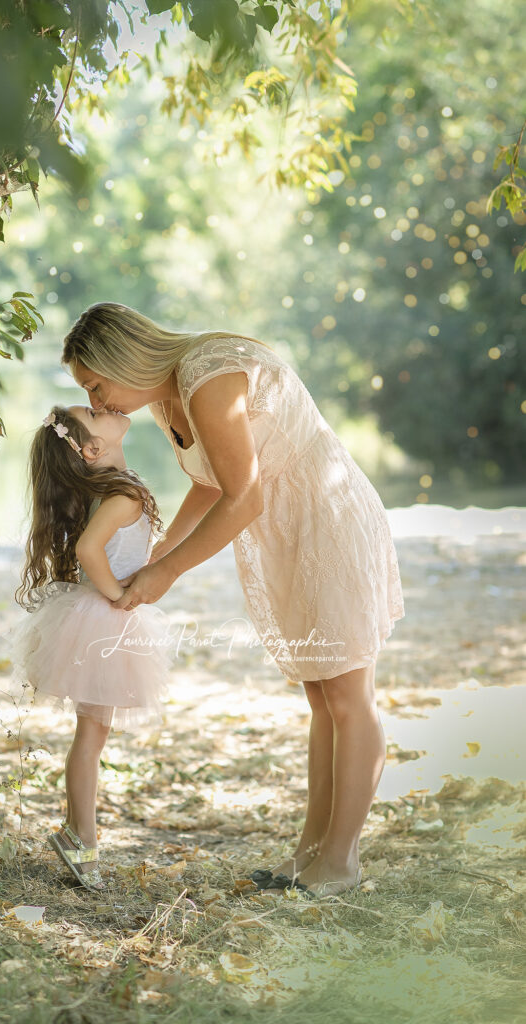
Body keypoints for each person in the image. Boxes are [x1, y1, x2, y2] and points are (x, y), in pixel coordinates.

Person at [60, 301, 406, 899]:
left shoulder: (209, 378)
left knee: (348, 695)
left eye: (95, 384)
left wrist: (166, 572)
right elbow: (210, 481)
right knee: (322, 697)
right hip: (288, 530)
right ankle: (310, 856)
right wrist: (158, 552)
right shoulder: (172, 399)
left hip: (327, 520)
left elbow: (242, 499)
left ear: (121, 358)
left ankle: (341, 862)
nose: (96, 404)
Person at [7, 403, 174, 892]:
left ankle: (78, 834)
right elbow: (87, 551)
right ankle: (81, 839)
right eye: (91, 411)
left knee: (92, 735)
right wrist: (119, 596)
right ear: (93, 448)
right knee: (91, 737)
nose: (102, 406)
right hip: (102, 619)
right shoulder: (122, 493)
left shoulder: (117, 488)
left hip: (92, 617)